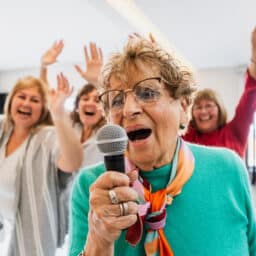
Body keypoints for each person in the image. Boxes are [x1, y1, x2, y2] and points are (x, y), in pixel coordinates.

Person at [68, 36, 256, 256]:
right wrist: (98, 242)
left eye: (147, 93)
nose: (129, 110)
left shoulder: (228, 169)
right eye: (117, 100)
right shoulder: (90, 187)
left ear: (184, 107)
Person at [0, 74, 83, 256]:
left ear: (43, 109)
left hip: (33, 235)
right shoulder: (3, 129)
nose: (26, 103)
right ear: (11, 100)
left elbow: (73, 163)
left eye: (35, 100)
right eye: (21, 96)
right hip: (5, 228)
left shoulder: (46, 137)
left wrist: (59, 114)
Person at [183, 26, 256, 158]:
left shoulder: (235, 130)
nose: (203, 111)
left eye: (209, 105)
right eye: (198, 107)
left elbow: (251, 91)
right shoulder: (188, 136)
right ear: (192, 113)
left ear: (219, 109)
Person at [40, 40, 105, 166]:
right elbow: (46, 96)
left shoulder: (108, 130)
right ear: (77, 106)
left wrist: (98, 82)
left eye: (97, 100)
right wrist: (43, 66)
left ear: (103, 109)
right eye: (85, 99)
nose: (90, 103)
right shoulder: (69, 124)